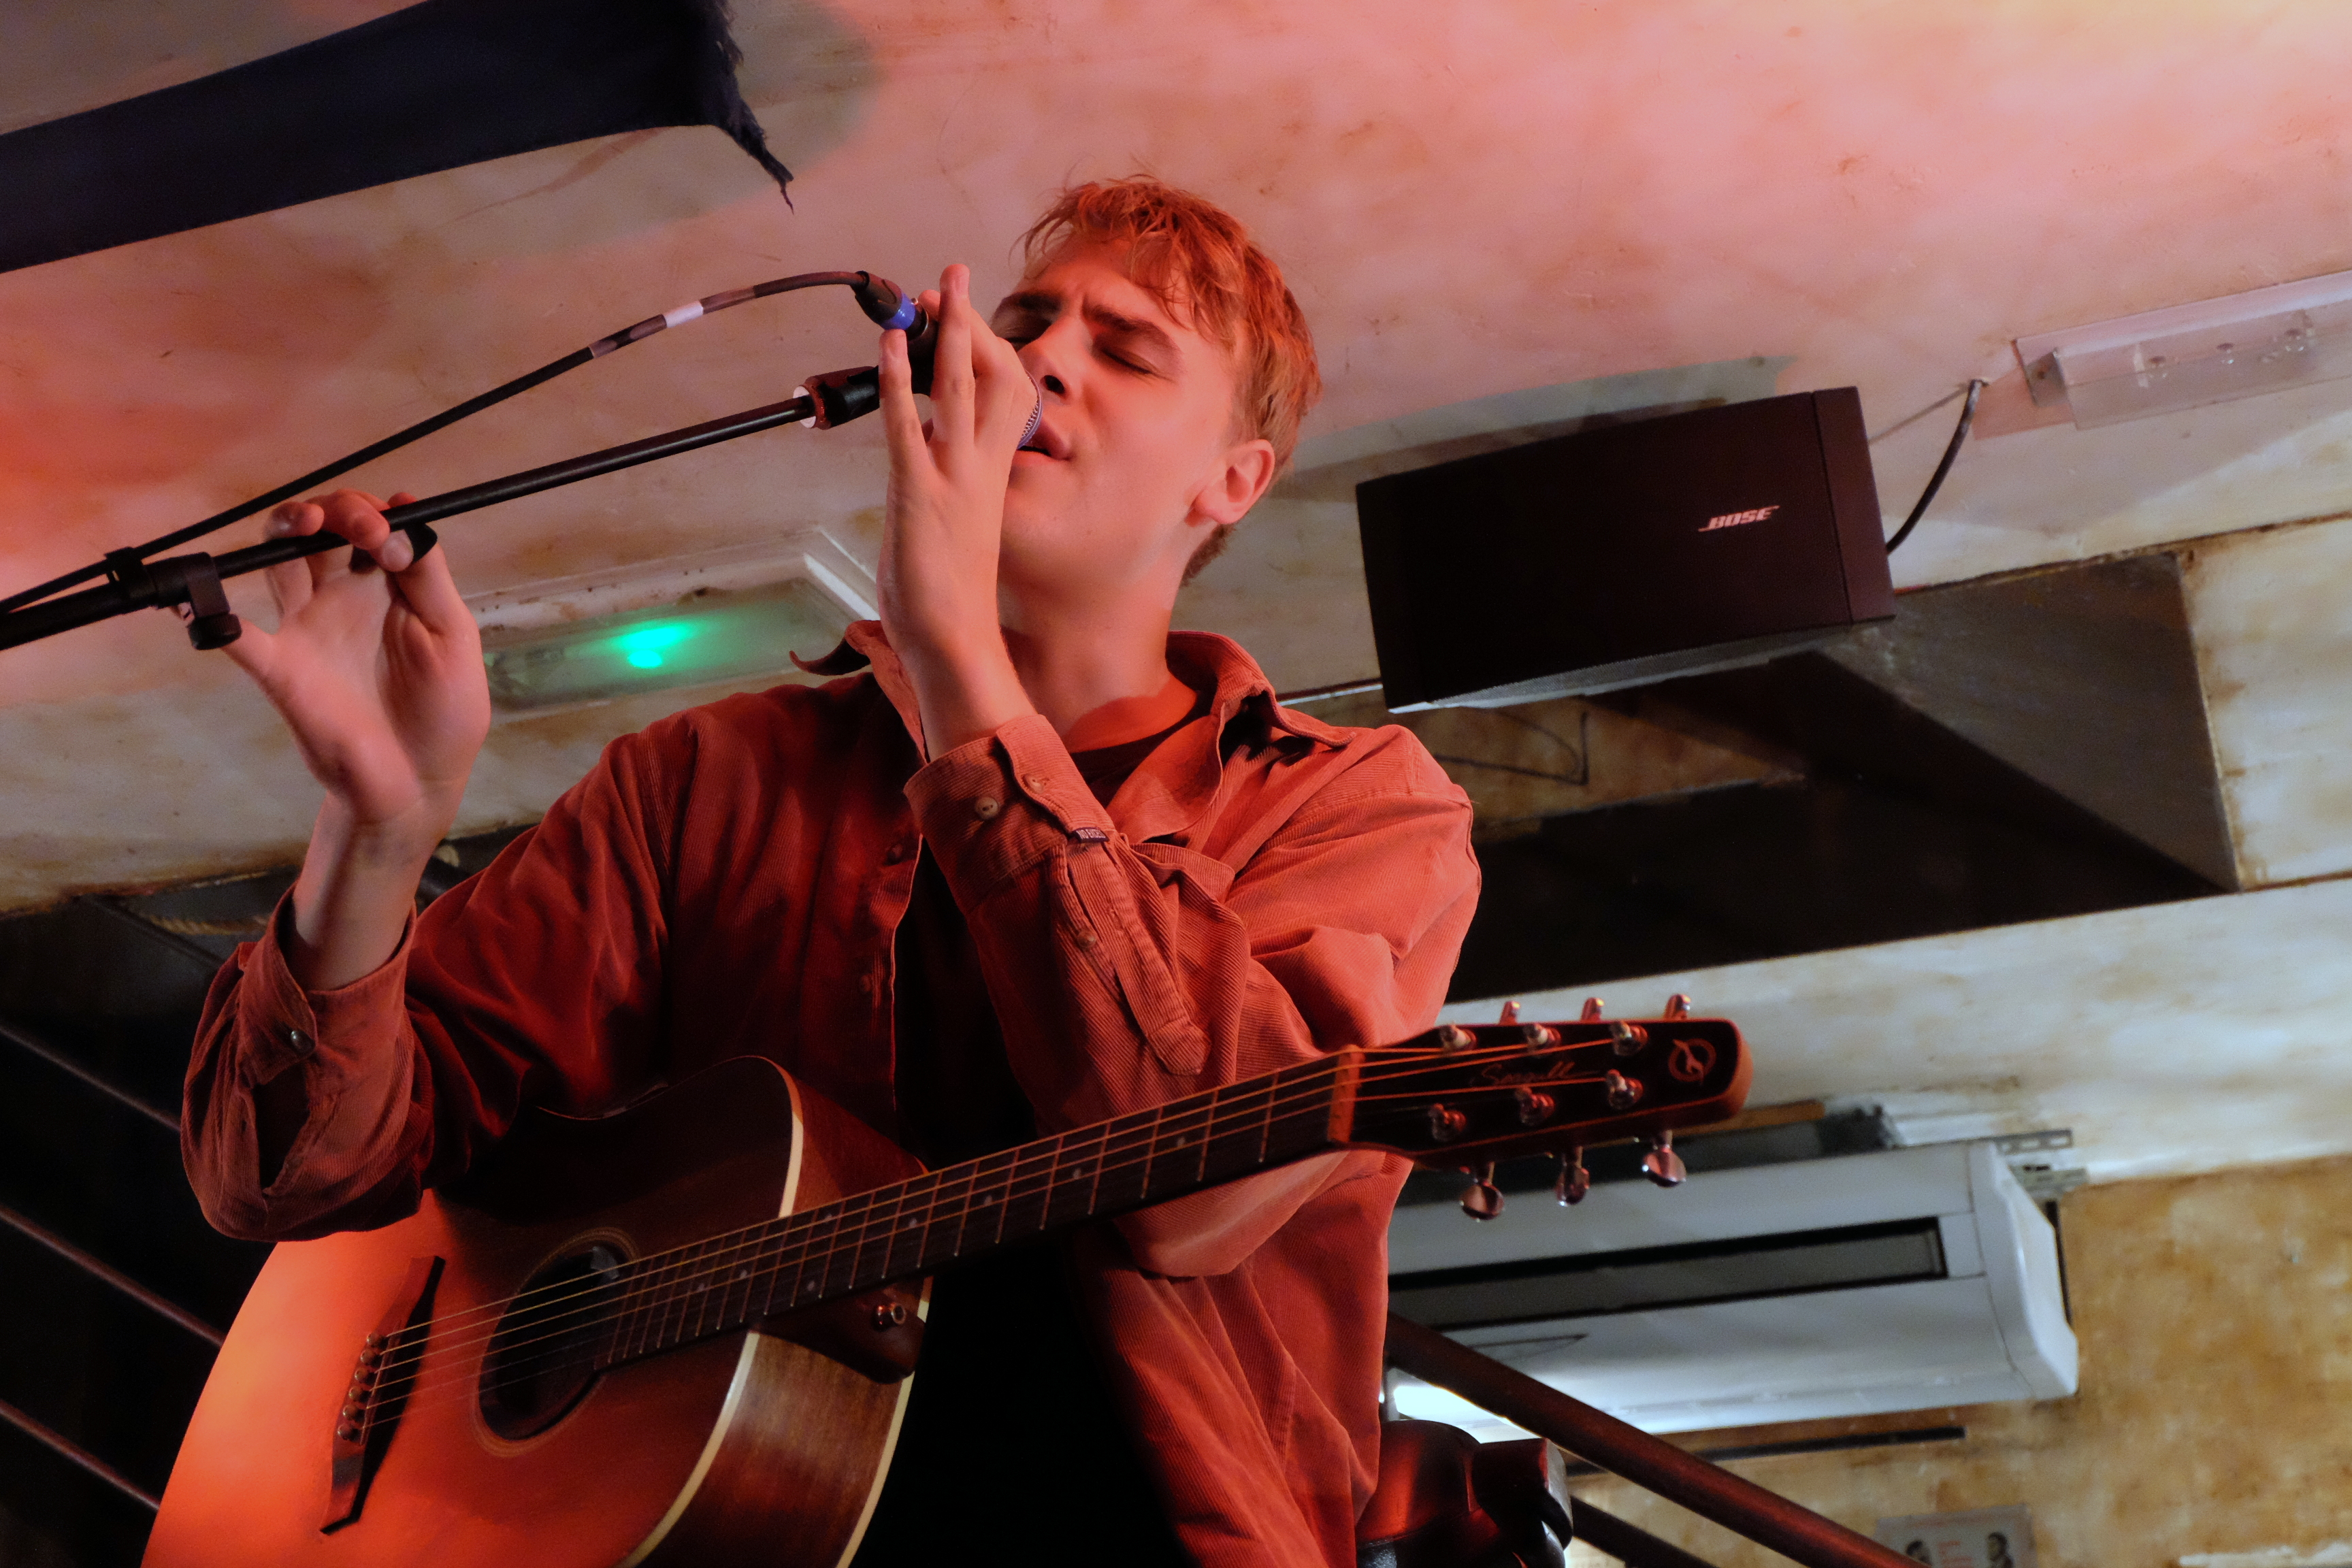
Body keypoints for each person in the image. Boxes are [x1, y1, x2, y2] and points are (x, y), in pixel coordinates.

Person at [182, 177, 1480, 1567]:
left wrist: (953, 650)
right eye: (1026, 323)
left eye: (1126, 349)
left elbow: (1196, 1188)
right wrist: (375, 834)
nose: (1040, 359)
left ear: (1232, 481)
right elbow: (280, 1183)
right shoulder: (706, 779)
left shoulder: (1358, 808)